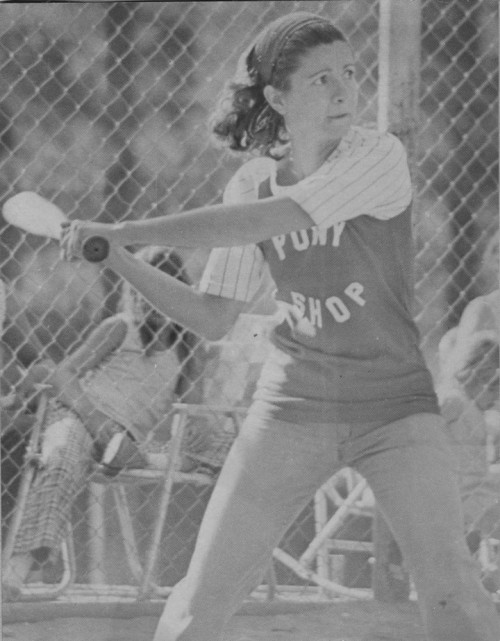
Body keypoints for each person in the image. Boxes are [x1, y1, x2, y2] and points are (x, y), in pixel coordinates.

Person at [60, 12, 500, 641]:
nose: (347, 89)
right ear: (277, 97)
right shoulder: (251, 181)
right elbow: (213, 316)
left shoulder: (377, 155)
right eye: (321, 79)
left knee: (453, 592)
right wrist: (121, 257)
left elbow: (266, 220)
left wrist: (124, 230)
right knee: (199, 601)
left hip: (396, 412)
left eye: (351, 73)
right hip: (291, 411)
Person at [2, 247, 227, 601]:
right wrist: (94, 418)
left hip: (128, 437)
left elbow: (191, 412)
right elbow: (64, 372)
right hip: (80, 415)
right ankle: (16, 570)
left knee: (229, 446)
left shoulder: (185, 348)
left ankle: (133, 456)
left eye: (158, 292)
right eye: (138, 291)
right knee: (61, 459)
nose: (146, 301)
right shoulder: (121, 327)